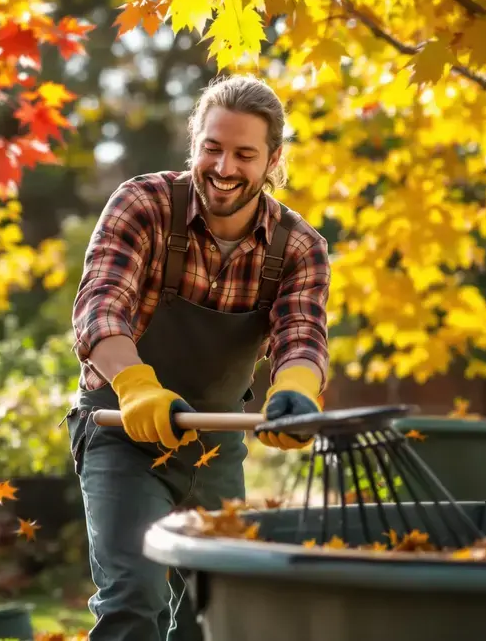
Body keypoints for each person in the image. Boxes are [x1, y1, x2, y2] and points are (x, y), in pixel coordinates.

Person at [64, 73, 331, 641]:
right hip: (120, 427)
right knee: (134, 597)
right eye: (212, 148)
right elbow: (100, 305)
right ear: (195, 143)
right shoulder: (144, 205)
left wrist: (298, 393)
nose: (224, 167)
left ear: (273, 159)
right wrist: (136, 384)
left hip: (213, 443)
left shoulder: (299, 246)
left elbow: (301, 333)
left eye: (244, 154)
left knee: (213, 611)